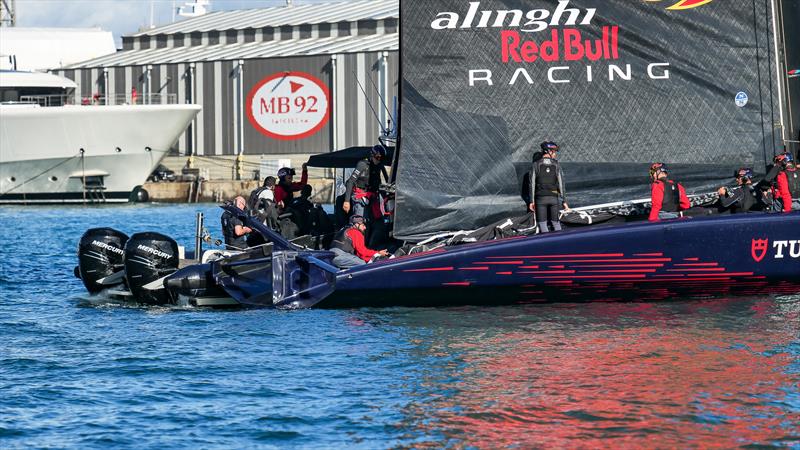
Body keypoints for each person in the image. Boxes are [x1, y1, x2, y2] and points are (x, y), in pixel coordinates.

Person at [528, 141, 569, 233]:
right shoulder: (556, 165)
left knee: (542, 224)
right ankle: (560, 243)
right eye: (554, 152)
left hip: (540, 199)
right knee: (556, 223)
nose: (555, 154)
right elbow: (561, 184)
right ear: (549, 152)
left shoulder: (535, 165)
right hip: (554, 198)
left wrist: (531, 201)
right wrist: (564, 201)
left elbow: (532, 184)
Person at [343, 145, 389, 219]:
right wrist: (346, 201)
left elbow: (382, 181)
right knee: (361, 220)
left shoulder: (379, 165)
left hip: (373, 196)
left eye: (382, 158)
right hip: (360, 196)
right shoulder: (362, 165)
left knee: (377, 219)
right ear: (372, 155)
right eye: (378, 157)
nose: (379, 160)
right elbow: (350, 181)